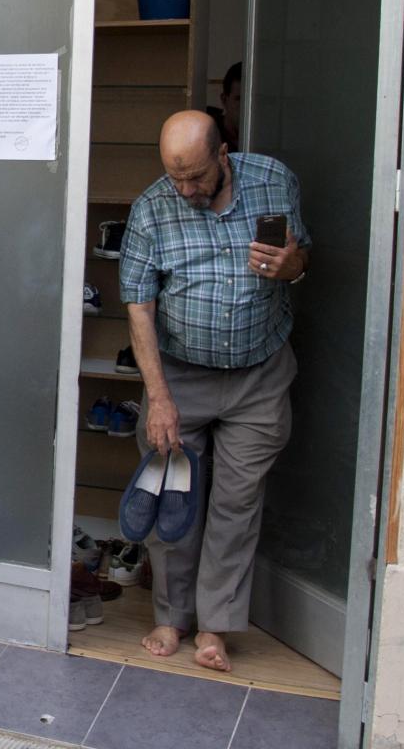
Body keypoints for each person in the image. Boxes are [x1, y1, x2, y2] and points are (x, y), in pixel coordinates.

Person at [117, 109, 310, 673]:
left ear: (223, 155)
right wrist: (159, 398)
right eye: (175, 177)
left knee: (235, 504)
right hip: (180, 374)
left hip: (259, 372)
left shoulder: (273, 182)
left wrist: (289, 265)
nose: (186, 190)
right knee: (173, 496)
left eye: (196, 177)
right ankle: (172, 616)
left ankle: (215, 627)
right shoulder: (153, 209)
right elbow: (138, 305)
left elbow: (302, 259)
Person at [206, 61, 243, 149]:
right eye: (239, 99)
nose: (245, 108)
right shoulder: (209, 135)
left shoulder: (267, 136)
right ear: (224, 100)